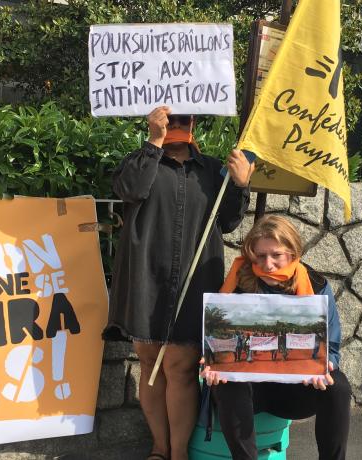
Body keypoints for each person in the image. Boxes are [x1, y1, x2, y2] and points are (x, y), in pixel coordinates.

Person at [103, 106, 254, 460]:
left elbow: (229, 221)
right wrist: (153, 142)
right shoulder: (140, 160)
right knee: (151, 362)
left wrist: (241, 184)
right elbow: (129, 190)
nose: (175, 125)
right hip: (145, 277)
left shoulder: (215, 168)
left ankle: (179, 452)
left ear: (194, 122)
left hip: (195, 275)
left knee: (181, 366)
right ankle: (159, 447)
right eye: (168, 120)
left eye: (182, 119)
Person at [201, 215, 351, 460]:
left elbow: (331, 347)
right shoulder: (236, 285)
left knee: (339, 386)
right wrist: (213, 363)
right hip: (249, 390)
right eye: (260, 256)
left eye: (276, 255)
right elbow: (215, 341)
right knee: (227, 384)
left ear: (292, 253)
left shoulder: (317, 285)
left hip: (296, 389)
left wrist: (324, 366)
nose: (268, 264)